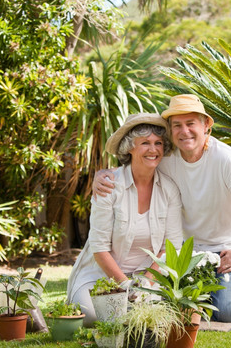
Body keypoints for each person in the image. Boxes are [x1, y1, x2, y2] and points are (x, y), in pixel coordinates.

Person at [92, 94, 231, 324]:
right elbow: (136, 161)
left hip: (228, 250)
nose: (184, 131)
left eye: (190, 123)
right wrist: (103, 175)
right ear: (170, 130)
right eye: (177, 125)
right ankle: (213, 291)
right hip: (187, 252)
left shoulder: (225, 158)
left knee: (224, 313)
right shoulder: (166, 157)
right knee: (180, 309)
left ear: (206, 125)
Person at [67, 113, 183, 327]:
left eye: (158, 143)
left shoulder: (169, 190)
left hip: (148, 276)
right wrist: (126, 285)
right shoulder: (108, 185)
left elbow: (172, 246)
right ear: (129, 147)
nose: (153, 149)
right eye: (145, 143)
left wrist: (145, 282)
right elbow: (99, 247)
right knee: (92, 316)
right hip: (102, 274)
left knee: (161, 314)